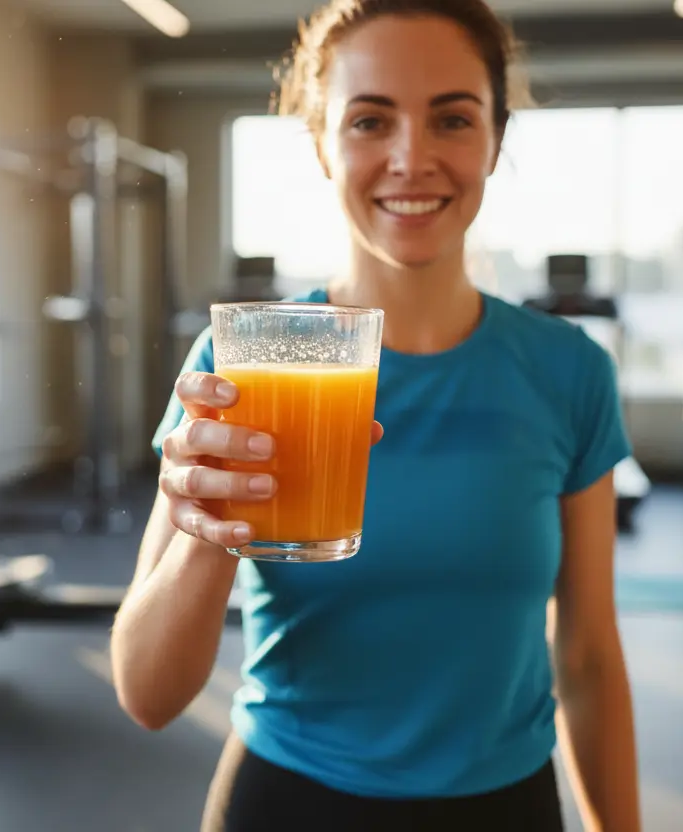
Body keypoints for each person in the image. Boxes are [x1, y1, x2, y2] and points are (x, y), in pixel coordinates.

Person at [110, 1, 642, 829]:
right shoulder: (245, 364)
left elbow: (588, 657)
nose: (410, 158)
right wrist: (207, 536)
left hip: (505, 806)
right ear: (321, 143)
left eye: (452, 119)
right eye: (369, 120)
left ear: (497, 138)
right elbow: (146, 694)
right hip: (287, 801)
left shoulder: (569, 371)